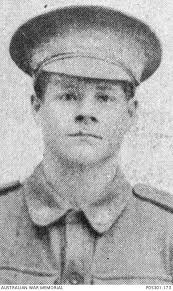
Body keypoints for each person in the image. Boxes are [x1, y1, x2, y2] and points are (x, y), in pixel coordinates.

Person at [0, 5, 172, 285]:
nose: (85, 112)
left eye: (104, 98)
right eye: (68, 96)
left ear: (130, 113)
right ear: (36, 106)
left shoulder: (167, 230)